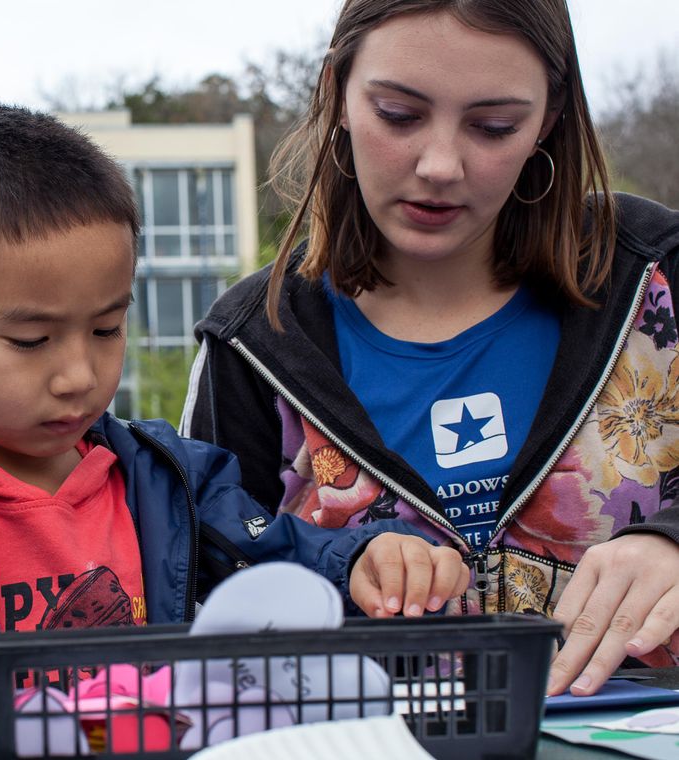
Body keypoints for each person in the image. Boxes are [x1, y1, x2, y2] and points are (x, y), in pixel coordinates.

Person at [0, 103, 466, 743]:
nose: (80, 373)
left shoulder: (169, 480)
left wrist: (370, 561)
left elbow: (287, 562)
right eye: (31, 339)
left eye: (106, 328)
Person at [180, 0, 679, 700]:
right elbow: (199, 587)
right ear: (339, 95)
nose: (441, 164)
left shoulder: (657, 273)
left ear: (553, 115)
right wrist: (338, 569)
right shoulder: (251, 342)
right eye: (399, 114)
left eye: (493, 126)